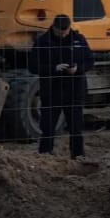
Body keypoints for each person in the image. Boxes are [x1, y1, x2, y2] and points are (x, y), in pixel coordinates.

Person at [29, 13, 94, 159]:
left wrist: (78, 69)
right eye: (59, 32)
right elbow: (32, 66)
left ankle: (78, 156)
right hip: (51, 91)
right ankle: (45, 155)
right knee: (48, 126)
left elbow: (90, 61)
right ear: (54, 27)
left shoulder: (79, 39)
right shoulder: (42, 42)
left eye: (65, 32)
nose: (63, 35)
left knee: (76, 126)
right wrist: (54, 68)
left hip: (74, 90)